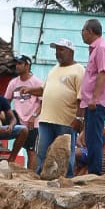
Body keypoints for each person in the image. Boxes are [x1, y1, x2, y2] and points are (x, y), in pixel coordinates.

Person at [32, 39, 83, 177]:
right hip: (46, 119)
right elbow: (44, 90)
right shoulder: (54, 69)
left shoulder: (79, 70)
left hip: (66, 121)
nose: (57, 53)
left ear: (71, 51)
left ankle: (67, 178)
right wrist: (29, 90)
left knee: (65, 153)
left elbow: (81, 97)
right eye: (56, 50)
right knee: (42, 151)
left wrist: (79, 118)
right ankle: (42, 175)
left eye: (61, 49)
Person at [79, 18, 105, 176]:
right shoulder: (96, 49)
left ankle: (94, 173)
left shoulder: (102, 48)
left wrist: (94, 98)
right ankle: (93, 171)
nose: (82, 34)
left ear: (90, 31)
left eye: (83, 31)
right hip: (91, 102)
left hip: (97, 103)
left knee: (94, 139)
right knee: (90, 138)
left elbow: (102, 73)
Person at [4, 55, 43, 171]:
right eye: (16, 64)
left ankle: (31, 176)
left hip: (33, 122)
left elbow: (43, 102)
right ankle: (8, 165)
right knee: (17, 145)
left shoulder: (36, 82)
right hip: (18, 121)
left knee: (31, 150)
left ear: (27, 65)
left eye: (20, 64)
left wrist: (34, 116)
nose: (17, 66)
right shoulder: (13, 83)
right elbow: (6, 101)